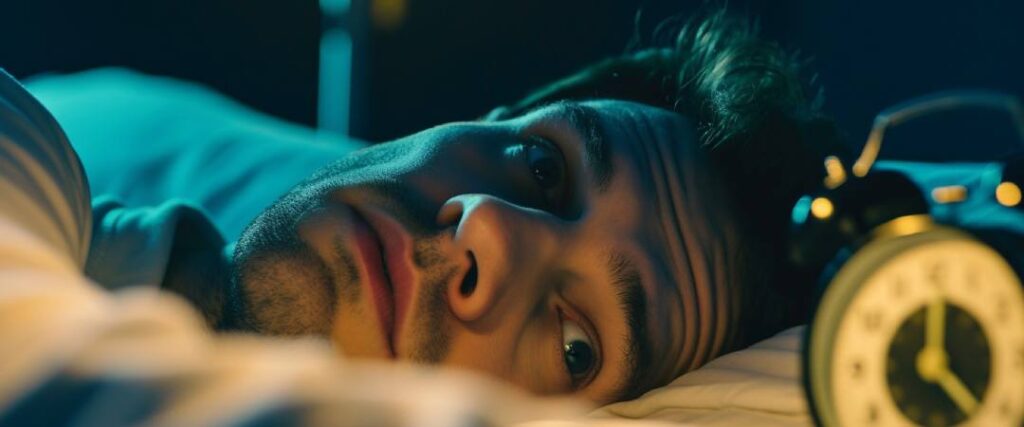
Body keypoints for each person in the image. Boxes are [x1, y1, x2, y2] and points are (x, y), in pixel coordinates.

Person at [0, 10, 844, 424]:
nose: (491, 227)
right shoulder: (23, 152)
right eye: (542, 166)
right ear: (477, 118)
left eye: (575, 345)